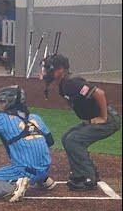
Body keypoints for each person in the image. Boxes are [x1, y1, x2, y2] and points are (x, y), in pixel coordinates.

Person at [40, 54, 121, 191]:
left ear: (61, 70)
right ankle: (80, 173)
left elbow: (99, 93)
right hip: (95, 119)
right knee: (67, 137)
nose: (47, 72)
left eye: (50, 69)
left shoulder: (71, 82)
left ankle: (88, 177)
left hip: (109, 120)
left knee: (74, 140)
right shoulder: (64, 83)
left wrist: (103, 117)